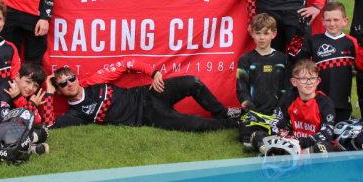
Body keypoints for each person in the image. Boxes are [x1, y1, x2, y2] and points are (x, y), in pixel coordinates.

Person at [50, 60, 242, 131]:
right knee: (195, 123)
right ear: (59, 89)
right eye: (63, 84)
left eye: (71, 78)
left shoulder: (94, 81)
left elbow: (127, 63)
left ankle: (222, 112)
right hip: (147, 116)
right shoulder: (76, 113)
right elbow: (51, 124)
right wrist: (50, 95)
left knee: (193, 82)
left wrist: (155, 73)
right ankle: (235, 124)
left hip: (149, 92)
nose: (70, 84)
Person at [297, 2, 363, 122]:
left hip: (342, 101)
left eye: (336, 20)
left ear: (345, 21)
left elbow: (362, 66)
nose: (332, 24)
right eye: (328, 20)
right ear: (323, 21)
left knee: (338, 135)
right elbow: (298, 62)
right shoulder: (314, 40)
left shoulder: (351, 42)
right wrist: (299, 36)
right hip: (317, 100)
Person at [252, 60, 336, 154]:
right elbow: (276, 124)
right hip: (292, 141)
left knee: (326, 147)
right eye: (303, 79)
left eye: (312, 78)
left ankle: (284, 153)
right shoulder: (290, 100)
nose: (309, 82)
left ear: (318, 81)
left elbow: (327, 133)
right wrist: (282, 136)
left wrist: (299, 141)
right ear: (294, 82)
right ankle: (283, 151)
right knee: (257, 136)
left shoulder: (326, 103)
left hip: (310, 143)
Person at [235, 13, 291, 151]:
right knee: (246, 136)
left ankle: (265, 142)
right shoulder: (245, 59)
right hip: (254, 113)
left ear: (274, 34)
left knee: (283, 131)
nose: (261, 37)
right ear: (252, 33)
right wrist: (253, 112)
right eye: (258, 33)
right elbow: (241, 90)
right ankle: (259, 141)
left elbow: (287, 89)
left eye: (266, 33)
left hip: (275, 113)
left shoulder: (283, 59)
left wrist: (278, 111)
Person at [0, 61, 54, 155]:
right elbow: (5, 124)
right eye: (27, 82)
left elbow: (36, 121)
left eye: (35, 85)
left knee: (42, 130)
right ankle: (28, 147)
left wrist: (20, 100)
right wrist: (30, 106)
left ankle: (18, 145)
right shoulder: (4, 90)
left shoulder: (29, 95)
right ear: (17, 77)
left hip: (11, 130)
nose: (30, 88)